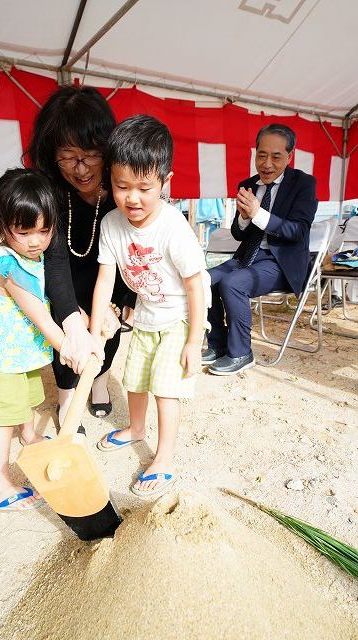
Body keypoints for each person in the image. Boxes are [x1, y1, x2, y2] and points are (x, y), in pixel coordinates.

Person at [90, 115, 211, 498]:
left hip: (179, 316)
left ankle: (163, 458)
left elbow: (196, 287)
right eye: (122, 186)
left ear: (165, 181)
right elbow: (105, 279)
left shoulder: (173, 227)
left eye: (144, 187)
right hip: (145, 314)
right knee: (135, 379)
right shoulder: (111, 223)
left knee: (165, 387)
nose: (132, 198)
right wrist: (95, 332)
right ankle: (136, 429)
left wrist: (194, 341)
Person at [0, 168, 79, 511]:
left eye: (44, 230)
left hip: (12, 353)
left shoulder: (31, 255)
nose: (36, 241)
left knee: (23, 397)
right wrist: (68, 347)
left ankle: (29, 435)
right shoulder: (8, 268)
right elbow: (40, 317)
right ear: (1, 225)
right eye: (24, 231)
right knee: (2, 419)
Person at [28, 86, 128, 422]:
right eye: (68, 156)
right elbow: (54, 260)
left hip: (110, 276)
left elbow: (134, 249)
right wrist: (72, 321)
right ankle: (67, 396)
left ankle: (98, 380)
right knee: (68, 332)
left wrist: (119, 305)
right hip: (63, 276)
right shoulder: (50, 189)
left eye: (90, 154)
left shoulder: (121, 190)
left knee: (106, 331)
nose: (81, 168)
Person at [202, 123, 318, 375]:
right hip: (247, 257)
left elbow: (297, 231)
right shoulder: (248, 184)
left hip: (281, 263)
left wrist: (258, 213)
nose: (266, 163)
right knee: (204, 280)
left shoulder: (304, 184)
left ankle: (241, 352)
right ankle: (218, 344)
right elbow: (237, 232)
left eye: (276, 156)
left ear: (290, 155)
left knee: (233, 283)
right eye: (261, 155)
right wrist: (245, 217)